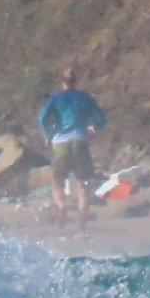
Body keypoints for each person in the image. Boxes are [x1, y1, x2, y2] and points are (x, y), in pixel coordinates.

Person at [36, 68, 107, 225]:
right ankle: (82, 229)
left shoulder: (54, 99)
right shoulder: (84, 97)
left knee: (57, 180)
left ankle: (62, 206)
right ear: (75, 81)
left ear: (62, 83)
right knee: (84, 184)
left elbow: (41, 119)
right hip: (79, 141)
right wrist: (93, 128)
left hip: (60, 143)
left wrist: (47, 136)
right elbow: (101, 118)